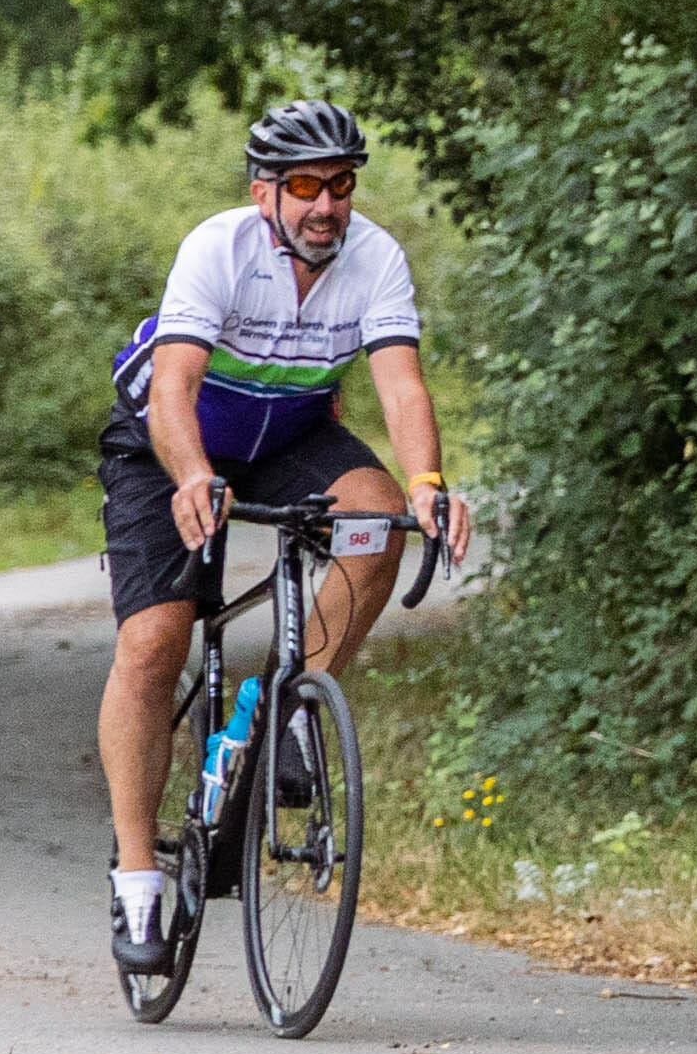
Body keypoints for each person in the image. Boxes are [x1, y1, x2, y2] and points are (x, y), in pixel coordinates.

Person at [96, 99, 470, 965]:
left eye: (340, 186)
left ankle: (286, 709)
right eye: (305, 186)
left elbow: (402, 387)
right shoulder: (216, 248)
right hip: (173, 440)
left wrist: (426, 484)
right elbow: (174, 388)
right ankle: (138, 876)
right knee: (155, 642)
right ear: (264, 191)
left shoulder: (375, 258)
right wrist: (193, 476)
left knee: (377, 520)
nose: (325, 206)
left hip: (290, 433)